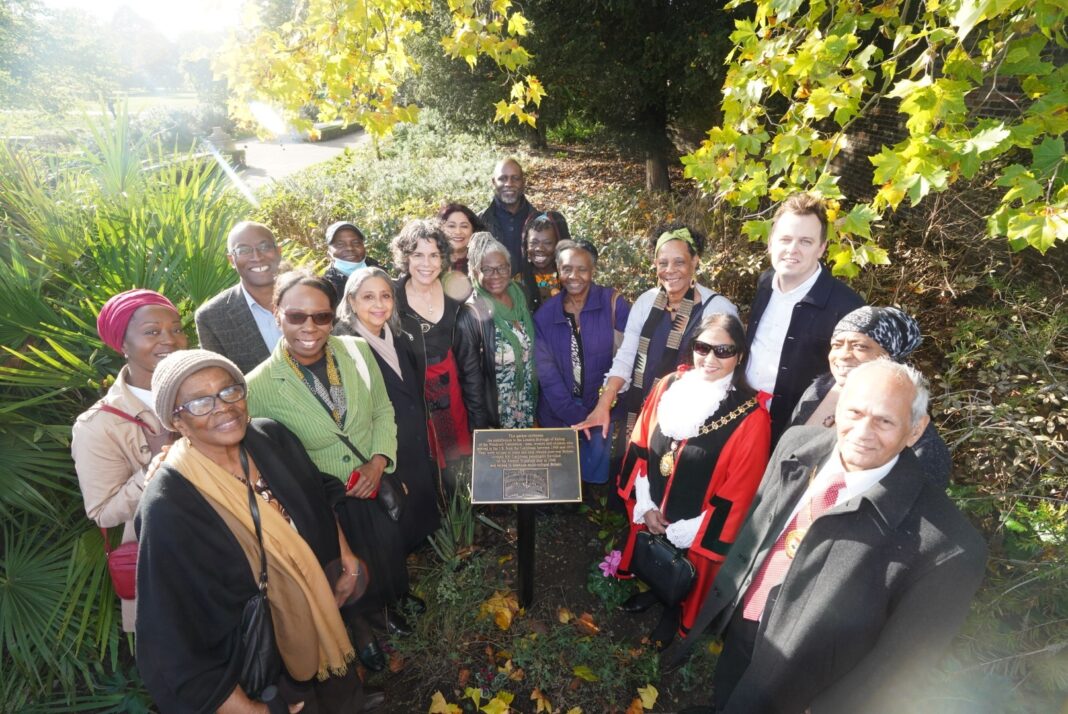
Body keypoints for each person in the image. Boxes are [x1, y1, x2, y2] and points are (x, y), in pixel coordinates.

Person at [670, 361, 988, 714]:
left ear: (915, 429)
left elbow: (902, 665)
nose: (863, 432)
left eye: (884, 421)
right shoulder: (796, 444)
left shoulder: (949, 547)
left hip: (808, 688)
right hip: (745, 626)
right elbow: (759, 526)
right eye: (855, 411)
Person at [137, 349, 380, 713]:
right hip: (265, 661)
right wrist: (248, 709)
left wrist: (343, 557)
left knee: (345, 698)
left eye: (229, 390)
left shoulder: (269, 437)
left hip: (323, 614)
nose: (223, 406)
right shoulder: (170, 504)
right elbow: (172, 632)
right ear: (177, 421)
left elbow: (318, 492)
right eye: (201, 402)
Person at [245, 271, 412, 673]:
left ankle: (386, 608)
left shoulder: (355, 350)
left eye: (320, 317)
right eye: (297, 316)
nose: (310, 327)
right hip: (323, 498)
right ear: (277, 314)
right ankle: (360, 629)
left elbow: (382, 410)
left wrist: (378, 461)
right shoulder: (258, 385)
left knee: (385, 548)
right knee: (342, 567)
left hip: (370, 477)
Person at [615, 314, 771, 649]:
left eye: (723, 350)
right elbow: (642, 439)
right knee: (652, 556)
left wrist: (693, 528)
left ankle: (674, 611)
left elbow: (740, 489)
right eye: (702, 347)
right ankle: (653, 590)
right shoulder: (669, 385)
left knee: (684, 573)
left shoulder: (751, 416)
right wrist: (646, 501)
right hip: (653, 501)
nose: (710, 358)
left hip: (696, 522)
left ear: (740, 355)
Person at [575, 223, 738, 469]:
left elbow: (726, 373)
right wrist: (603, 404)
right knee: (635, 485)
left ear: (695, 261)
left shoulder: (716, 309)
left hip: (691, 420)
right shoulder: (646, 302)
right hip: (641, 413)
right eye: (663, 263)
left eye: (679, 262)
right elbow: (626, 356)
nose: (670, 270)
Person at [71, 289, 187, 632]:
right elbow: (104, 512)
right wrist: (157, 463)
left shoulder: (210, 388)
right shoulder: (100, 424)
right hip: (168, 573)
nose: (170, 339)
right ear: (122, 343)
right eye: (152, 331)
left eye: (177, 328)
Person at [744, 193, 865, 445]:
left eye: (805, 241)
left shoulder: (847, 307)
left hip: (794, 433)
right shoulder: (765, 282)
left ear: (821, 248)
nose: (792, 250)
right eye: (785, 239)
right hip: (743, 417)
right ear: (770, 242)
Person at [335, 266, 442, 551]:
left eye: (385, 296)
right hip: (381, 448)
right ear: (352, 302)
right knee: (395, 516)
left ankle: (427, 553)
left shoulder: (399, 335)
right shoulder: (342, 348)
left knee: (420, 507)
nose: (379, 304)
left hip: (413, 437)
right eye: (368, 297)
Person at [790, 305, 953, 487]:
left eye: (860, 346)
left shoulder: (922, 443)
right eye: (837, 344)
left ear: (891, 355)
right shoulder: (818, 390)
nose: (843, 355)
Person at [533, 240, 630, 486]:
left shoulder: (613, 304)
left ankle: (592, 502)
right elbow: (547, 373)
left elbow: (629, 354)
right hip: (559, 406)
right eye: (566, 269)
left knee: (592, 471)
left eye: (582, 269)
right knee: (560, 476)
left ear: (593, 270)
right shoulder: (545, 315)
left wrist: (599, 408)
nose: (574, 276)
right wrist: (577, 413)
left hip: (600, 404)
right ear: (557, 270)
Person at [391, 219, 487, 463]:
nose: (426, 263)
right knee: (426, 459)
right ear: (405, 257)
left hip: (452, 387)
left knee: (457, 460)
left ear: (443, 258)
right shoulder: (391, 298)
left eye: (434, 255)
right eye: (417, 255)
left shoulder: (453, 292)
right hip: (412, 393)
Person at [460, 235, 538, 429]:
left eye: (501, 267)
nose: (495, 275)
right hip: (498, 414)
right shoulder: (472, 314)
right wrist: (480, 427)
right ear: (475, 272)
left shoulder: (522, 295)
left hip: (529, 403)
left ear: (509, 269)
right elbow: (471, 380)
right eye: (487, 269)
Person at [195, 221, 284, 373]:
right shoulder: (211, 318)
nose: (257, 257)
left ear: (279, 251)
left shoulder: (314, 295)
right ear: (231, 260)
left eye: (265, 247)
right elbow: (223, 381)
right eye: (243, 250)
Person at [478, 157, 538, 273]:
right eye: (502, 178)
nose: (509, 184)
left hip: (532, 290)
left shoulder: (540, 220)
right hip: (491, 289)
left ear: (523, 182)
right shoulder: (479, 222)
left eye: (515, 178)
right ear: (493, 182)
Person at [517, 210, 571, 312]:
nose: (539, 248)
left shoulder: (573, 280)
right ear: (526, 245)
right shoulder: (517, 284)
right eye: (534, 243)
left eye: (547, 243)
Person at [321, 221, 382, 300]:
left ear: (364, 246)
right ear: (329, 252)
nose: (350, 248)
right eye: (340, 244)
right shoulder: (327, 287)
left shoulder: (382, 275)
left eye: (356, 243)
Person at [438, 202, 485, 276]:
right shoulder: (431, 263)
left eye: (464, 226)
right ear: (440, 229)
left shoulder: (485, 263)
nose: (458, 232)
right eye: (451, 226)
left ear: (473, 230)